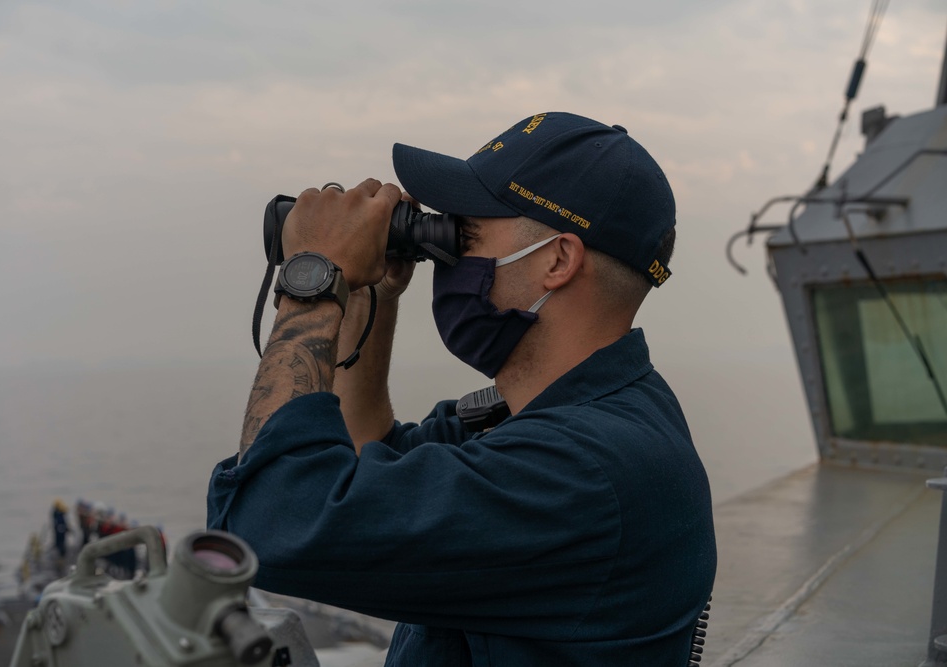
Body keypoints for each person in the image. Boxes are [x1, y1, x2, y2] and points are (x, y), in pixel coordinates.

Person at [207, 112, 716, 665]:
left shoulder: (581, 469)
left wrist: (314, 274)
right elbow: (364, 456)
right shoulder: (564, 415)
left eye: (465, 235)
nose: (446, 259)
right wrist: (361, 297)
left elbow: (271, 520)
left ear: (558, 260)